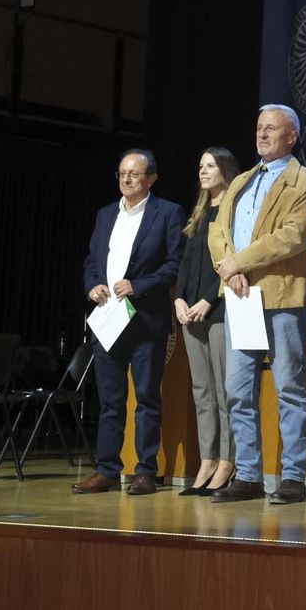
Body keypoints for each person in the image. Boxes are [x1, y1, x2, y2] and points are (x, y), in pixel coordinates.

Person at [208, 104, 306, 505]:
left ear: (291, 136)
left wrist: (240, 261)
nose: (262, 135)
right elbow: (218, 231)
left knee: (289, 386)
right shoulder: (240, 181)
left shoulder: (305, 181)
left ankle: (292, 476)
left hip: (282, 295)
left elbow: (292, 237)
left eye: (271, 128)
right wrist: (229, 269)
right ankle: (249, 474)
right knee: (239, 390)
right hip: (240, 294)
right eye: (259, 128)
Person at [76, 149, 186, 495]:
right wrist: (92, 285)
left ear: (151, 179)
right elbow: (92, 260)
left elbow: (174, 264)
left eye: (135, 174)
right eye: (122, 173)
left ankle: (145, 471)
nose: (126, 179)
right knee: (110, 401)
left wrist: (138, 285)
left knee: (147, 398)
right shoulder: (106, 214)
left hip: (145, 320)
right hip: (108, 318)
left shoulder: (167, 213)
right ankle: (107, 469)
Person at [173, 146, 242, 496]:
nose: (203, 171)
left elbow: (231, 260)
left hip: (219, 309)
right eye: (200, 165)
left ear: (225, 169)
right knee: (201, 390)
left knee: (223, 390)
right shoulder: (200, 211)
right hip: (191, 312)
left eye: (210, 165)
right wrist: (179, 299)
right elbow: (186, 261)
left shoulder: (235, 209)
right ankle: (208, 458)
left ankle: (228, 460)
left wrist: (207, 299)